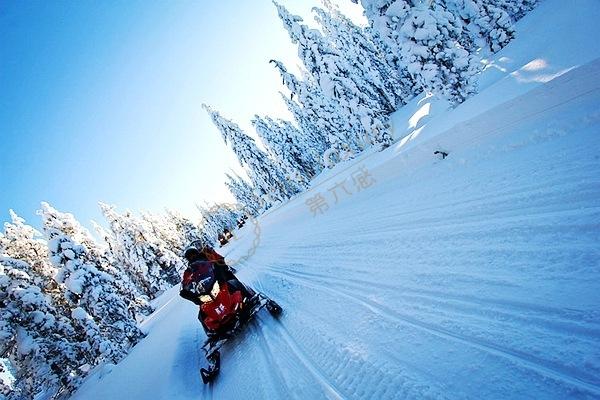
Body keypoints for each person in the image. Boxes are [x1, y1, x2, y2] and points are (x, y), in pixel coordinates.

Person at [179, 243, 256, 337]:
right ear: (187, 258)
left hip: (216, 280)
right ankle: (211, 331)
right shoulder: (189, 271)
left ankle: (250, 296)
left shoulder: (205, 257)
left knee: (233, 283)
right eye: (190, 256)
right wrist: (187, 292)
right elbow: (186, 282)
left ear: (197, 253)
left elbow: (216, 260)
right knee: (202, 313)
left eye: (193, 254)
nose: (192, 257)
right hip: (204, 290)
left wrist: (219, 264)